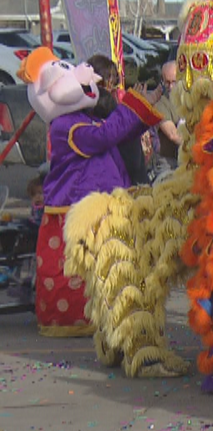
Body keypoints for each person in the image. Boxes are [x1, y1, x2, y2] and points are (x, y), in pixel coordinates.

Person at [18, 48, 162, 337]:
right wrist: (133, 106)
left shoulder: (81, 120)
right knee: (76, 272)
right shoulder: (64, 127)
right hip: (75, 208)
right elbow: (105, 136)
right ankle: (76, 320)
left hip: (96, 204)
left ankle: (110, 315)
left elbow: (114, 134)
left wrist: (141, 108)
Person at [87, 55, 152, 186]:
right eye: (109, 82)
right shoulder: (93, 108)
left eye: (115, 81)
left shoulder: (120, 98)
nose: (113, 87)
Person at [150, 62, 184, 181]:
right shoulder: (160, 103)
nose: (170, 87)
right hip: (168, 163)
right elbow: (173, 135)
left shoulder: (188, 99)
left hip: (186, 161)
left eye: (174, 82)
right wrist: (194, 147)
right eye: (167, 82)